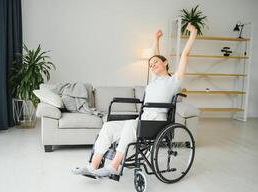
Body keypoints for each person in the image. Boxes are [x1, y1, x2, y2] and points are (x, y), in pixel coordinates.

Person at [72, 23, 197, 177]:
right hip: (143, 120)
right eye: (151, 65)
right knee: (108, 127)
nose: (153, 65)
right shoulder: (154, 80)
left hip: (156, 122)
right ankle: (93, 167)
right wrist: (156, 39)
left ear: (165, 63)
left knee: (131, 125)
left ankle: (114, 166)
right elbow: (154, 55)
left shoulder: (174, 81)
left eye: (156, 62)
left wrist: (193, 33)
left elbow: (185, 55)